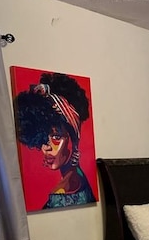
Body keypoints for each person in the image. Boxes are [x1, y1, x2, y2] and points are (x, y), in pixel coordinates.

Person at [14, 73, 96, 209]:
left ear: (74, 137)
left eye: (56, 137)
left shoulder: (60, 196)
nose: (46, 147)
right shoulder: (80, 178)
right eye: (44, 138)